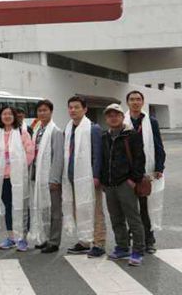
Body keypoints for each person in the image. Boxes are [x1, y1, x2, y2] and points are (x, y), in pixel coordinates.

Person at [100, 104, 146, 266]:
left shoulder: (131, 135)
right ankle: (122, 247)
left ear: (122, 117)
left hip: (126, 183)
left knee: (133, 218)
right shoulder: (104, 136)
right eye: (110, 115)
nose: (113, 118)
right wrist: (104, 181)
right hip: (109, 184)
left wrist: (133, 180)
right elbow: (103, 160)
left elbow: (140, 159)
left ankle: (138, 250)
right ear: (106, 119)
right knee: (116, 218)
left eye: (116, 115)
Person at [0, 106, 35, 251]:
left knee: (20, 205)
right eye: (4, 114)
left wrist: (19, 167)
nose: (7, 116)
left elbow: (30, 152)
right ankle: (11, 237)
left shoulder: (22, 133)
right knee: (8, 207)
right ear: (0, 117)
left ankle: (23, 238)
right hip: (3, 177)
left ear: (14, 116)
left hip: (18, 177)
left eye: (9, 114)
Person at [63, 96, 106, 258]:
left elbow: (98, 154)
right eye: (70, 107)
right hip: (72, 178)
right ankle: (84, 241)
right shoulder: (69, 128)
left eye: (76, 107)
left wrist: (96, 175)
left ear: (85, 109)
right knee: (79, 210)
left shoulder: (93, 128)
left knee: (95, 210)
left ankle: (99, 243)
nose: (73, 110)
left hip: (88, 178)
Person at [124, 90, 166, 254]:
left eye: (138, 99)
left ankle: (149, 240)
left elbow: (158, 145)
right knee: (129, 207)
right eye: (132, 99)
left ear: (142, 102)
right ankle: (132, 236)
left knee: (145, 207)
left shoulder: (151, 121)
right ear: (127, 102)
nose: (135, 102)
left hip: (146, 171)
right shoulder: (123, 121)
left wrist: (159, 167)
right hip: (127, 171)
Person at [28, 100, 65, 254]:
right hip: (37, 176)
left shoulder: (55, 131)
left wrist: (55, 179)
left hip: (50, 178)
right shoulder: (38, 130)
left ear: (51, 112)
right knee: (42, 209)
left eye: (45, 110)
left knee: (54, 211)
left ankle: (54, 241)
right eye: (40, 111)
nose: (42, 113)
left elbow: (58, 157)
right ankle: (44, 238)